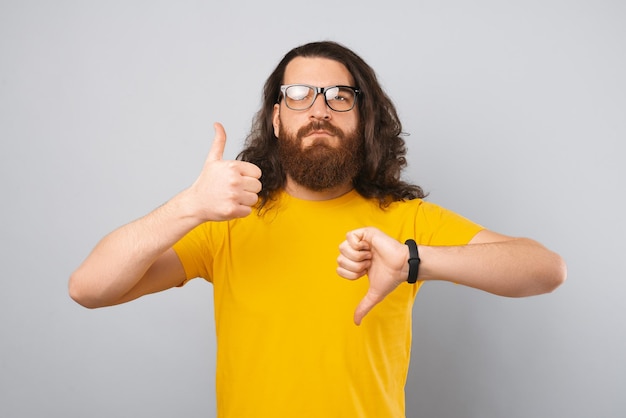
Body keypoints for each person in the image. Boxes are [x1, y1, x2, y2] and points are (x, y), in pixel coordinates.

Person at [69, 41, 566, 418]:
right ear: (278, 119)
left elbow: (545, 270)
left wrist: (417, 260)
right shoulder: (225, 225)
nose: (320, 110)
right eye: (300, 95)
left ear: (362, 117)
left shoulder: (405, 219)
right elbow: (88, 288)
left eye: (339, 97)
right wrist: (188, 206)